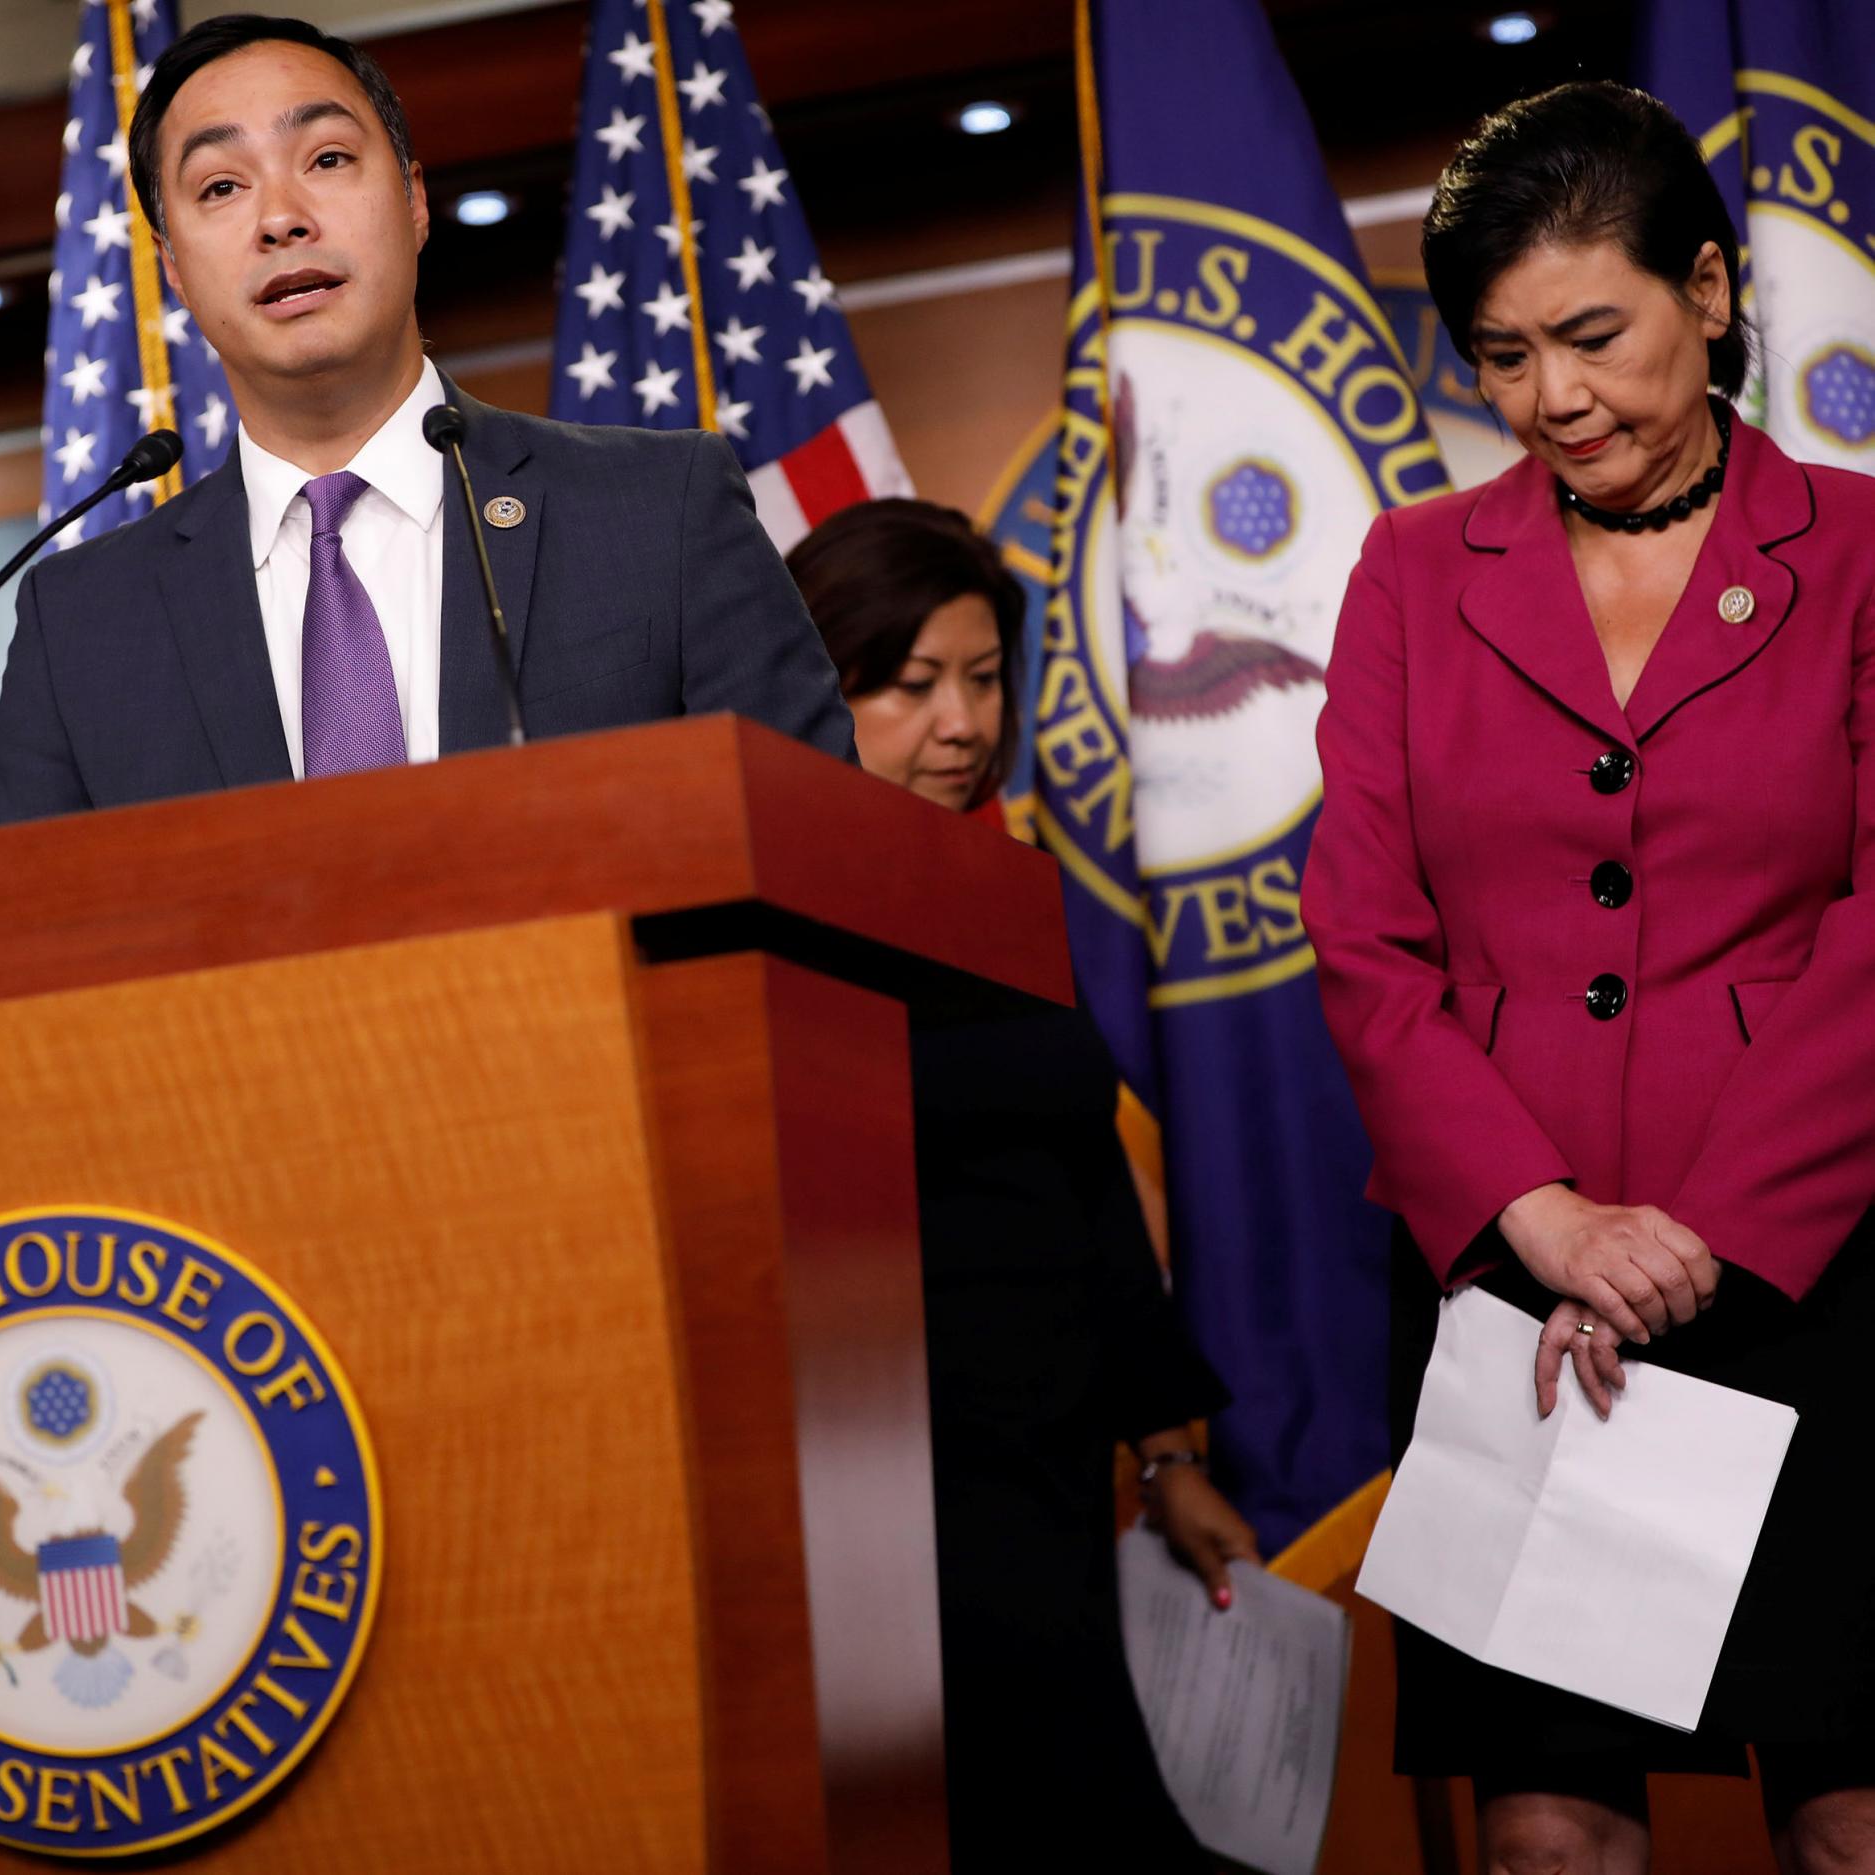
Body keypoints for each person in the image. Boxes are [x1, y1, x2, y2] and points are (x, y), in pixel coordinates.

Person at [1304, 81, 1875, 1875]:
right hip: (1514, 1292)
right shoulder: (1410, 571)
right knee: (1547, 1830)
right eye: (1498, 356)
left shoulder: (1863, 553)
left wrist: (1702, 1227)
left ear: (1708, 292)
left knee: (1855, 1811)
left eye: (1593, 335)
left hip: (1816, 1269)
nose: (1553, 400)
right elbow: (1366, 938)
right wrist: (1538, 1219)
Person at [0, 14, 853, 821]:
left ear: (413, 201)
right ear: (172, 267)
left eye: (326, 159)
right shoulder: (81, 625)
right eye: (221, 185)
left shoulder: (660, 508)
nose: (282, 219)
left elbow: (818, 846)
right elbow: (37, 951)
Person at [790, 498, 1258, 1866]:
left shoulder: (1004, 891)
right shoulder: (765, 910)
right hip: (889, 1478)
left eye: (985, 678)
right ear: (819, 680)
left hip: (1051, 1465)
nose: (961, 725)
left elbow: (1086, 1177)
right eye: (913, 684)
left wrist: (1165, 1450)